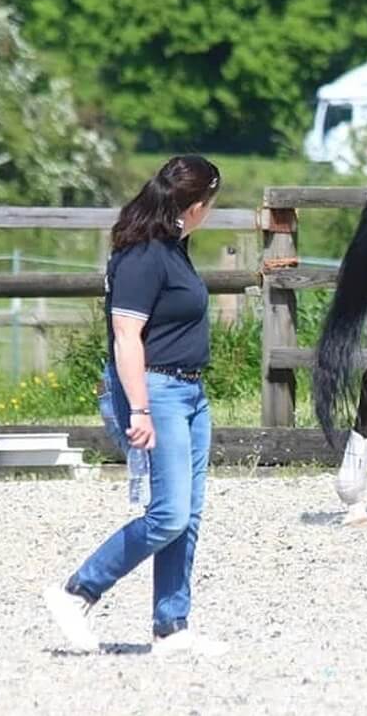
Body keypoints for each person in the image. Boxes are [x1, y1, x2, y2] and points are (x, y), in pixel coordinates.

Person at [44, 155, 227, 656]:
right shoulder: (144, 257)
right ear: (193, 206)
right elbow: (127, 336)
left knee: (187, 514)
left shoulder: (173, 250)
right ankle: (78, 591)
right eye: (210, 204)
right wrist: (140, 410)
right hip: (156, 392)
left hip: (189, 393)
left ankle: (171, 624)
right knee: (167, 515)